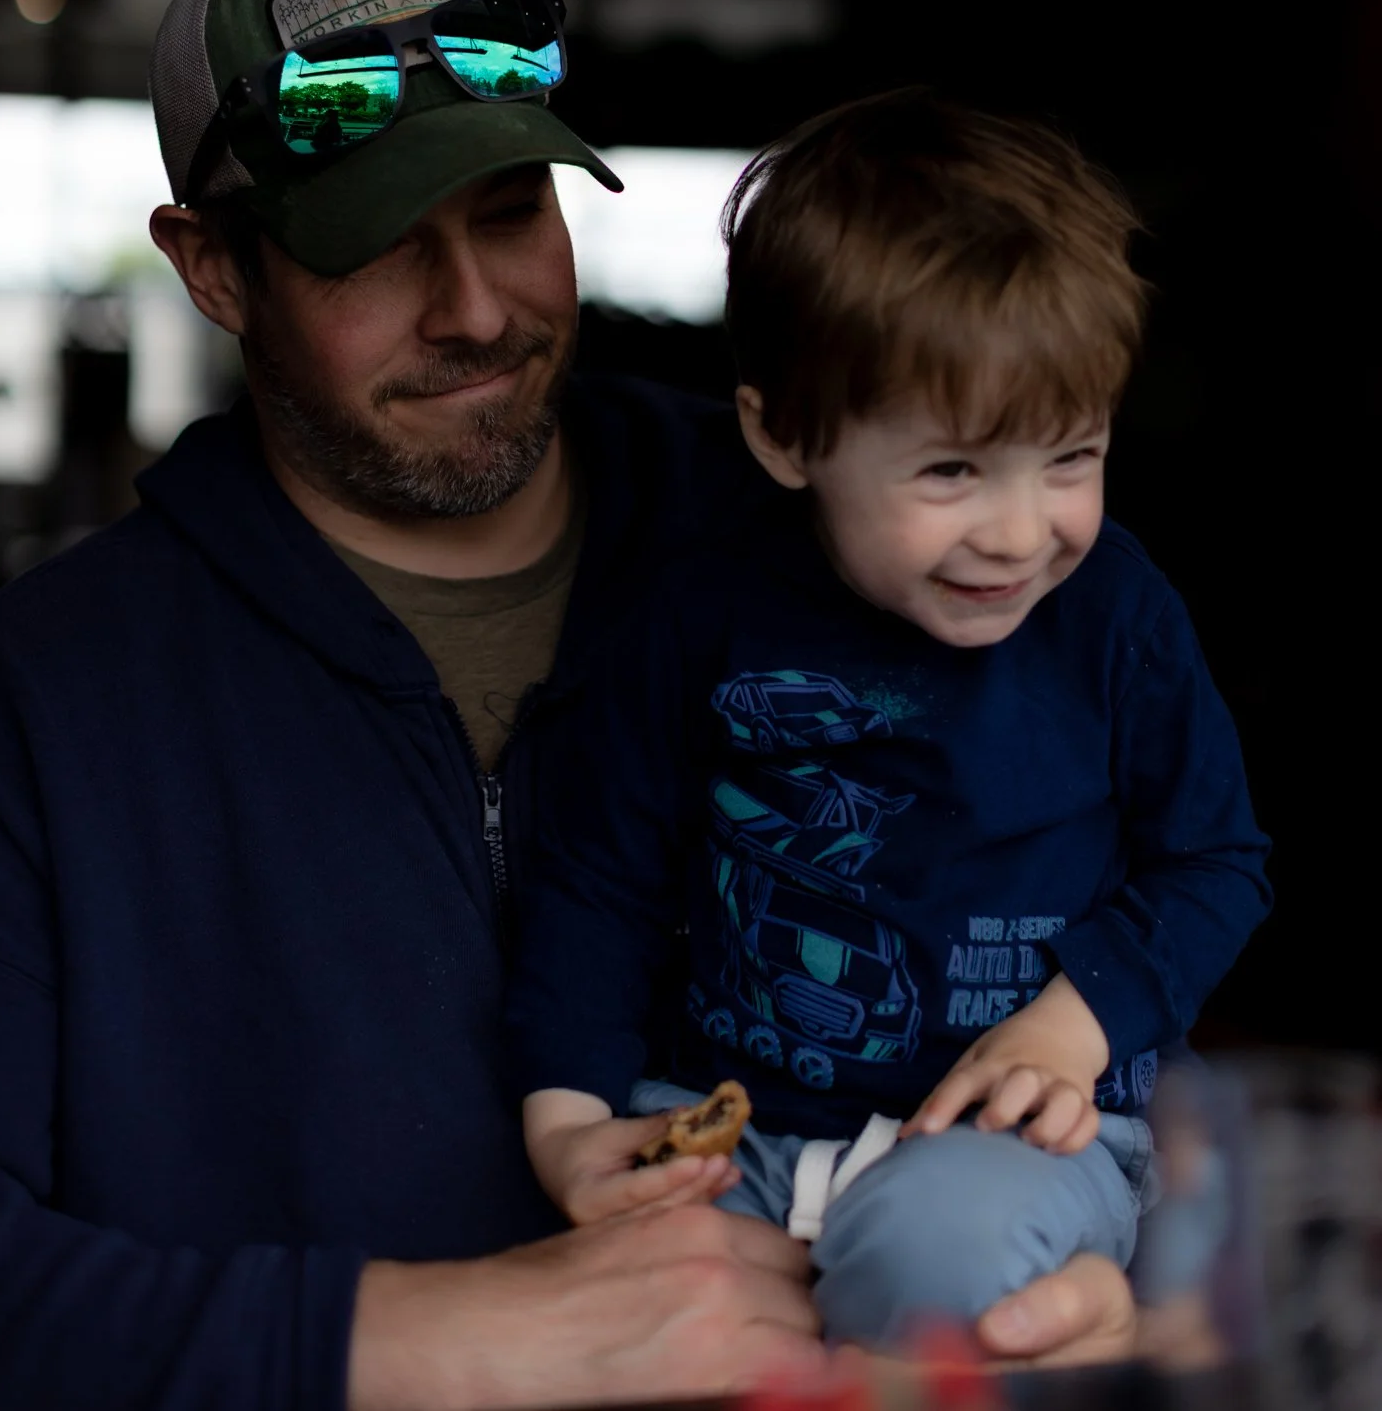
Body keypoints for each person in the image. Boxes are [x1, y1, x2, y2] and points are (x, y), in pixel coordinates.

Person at [0, 0, 1148, 1409]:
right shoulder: (41, 698)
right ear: (212, 272)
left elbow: (1102, 953)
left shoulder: (858, 545)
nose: (477, 310)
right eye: (378, 248)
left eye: (511, 210)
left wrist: (1077, 1278)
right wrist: (455, 1335)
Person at [512, 89, 1273, 1347]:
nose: (1022, 532)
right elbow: (599, 885)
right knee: (612, 1305)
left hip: (1022, 1143)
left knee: (932, 1260)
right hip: (732, 1125)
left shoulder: (1115, 617)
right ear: (781, 434)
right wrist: (568, 1127)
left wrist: (1068, 1026)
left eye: (1069, 457)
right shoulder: (695, 615)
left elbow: (1216, 862)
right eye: (950, 470)